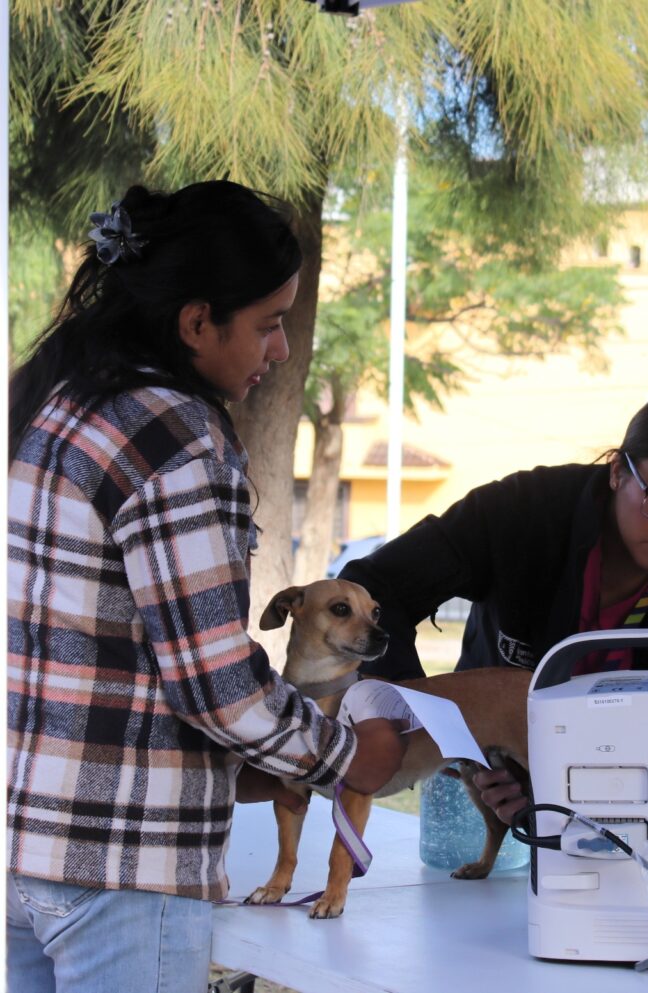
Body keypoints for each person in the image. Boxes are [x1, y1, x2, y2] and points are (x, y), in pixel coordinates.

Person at [7, 181, 408, 993]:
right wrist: (347, 756)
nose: (282, 349)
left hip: (31, 845)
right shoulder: (178, 438)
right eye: (268, 323)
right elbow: (216, 684)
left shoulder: (58, 403)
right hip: (128, 867)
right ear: (196, 322)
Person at [341, 389, 648, 814]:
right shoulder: (523, 512)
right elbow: (374, 585)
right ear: (618, 471)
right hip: (481, 782)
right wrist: (421, 717)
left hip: (642, 807)